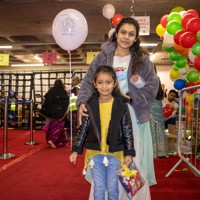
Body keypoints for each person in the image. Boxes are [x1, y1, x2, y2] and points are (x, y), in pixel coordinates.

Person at [76, 17, 159, 199]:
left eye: (131, 34)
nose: (126, 37)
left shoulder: (143, 59)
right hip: (104, 115)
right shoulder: (102, 56)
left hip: (133, 115)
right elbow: (89, 82)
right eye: (123, 32)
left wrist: (133, 96)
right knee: (105, 158)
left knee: (131, 160)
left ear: (136, 38)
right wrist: (82, 101)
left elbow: (153, 86)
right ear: (116, 33)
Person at [70, 65, 135, 200]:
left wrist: (129, 153)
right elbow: (83, 129)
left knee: (112, 187)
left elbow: (127, 129)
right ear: (95, 84)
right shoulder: (89, 104)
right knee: (98, 187)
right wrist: (76, 150)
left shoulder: (121, 105)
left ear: (114, 83)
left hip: (115, 154)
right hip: (95, 155)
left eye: (108, 82)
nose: (104, 86)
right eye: (100, 82)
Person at [39, 79, 69, 148]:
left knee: (50, 126)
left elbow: (46, 101)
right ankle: (52, 139)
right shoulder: (63, 92)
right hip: (59, 113)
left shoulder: (50, 91)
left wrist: (46, 109)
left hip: (50, 112)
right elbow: (66, 103)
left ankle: (56, 141)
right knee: (59, 126)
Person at [150, 78, 168, 158]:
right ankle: (161, 151)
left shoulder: (149, 78)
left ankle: (153, 151)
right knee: (158, 126)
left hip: (151, 104)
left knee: (152, 126)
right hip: (157, 103)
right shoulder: (156, 78)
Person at [68, 76, 81, 141]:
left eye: (73, 80)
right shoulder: (78, 87)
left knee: (74, 123)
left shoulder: (77, 87)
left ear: (76, 80)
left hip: (75, 108)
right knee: (76, 123)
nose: (72, 82)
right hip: (74, 108)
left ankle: (74, 136)